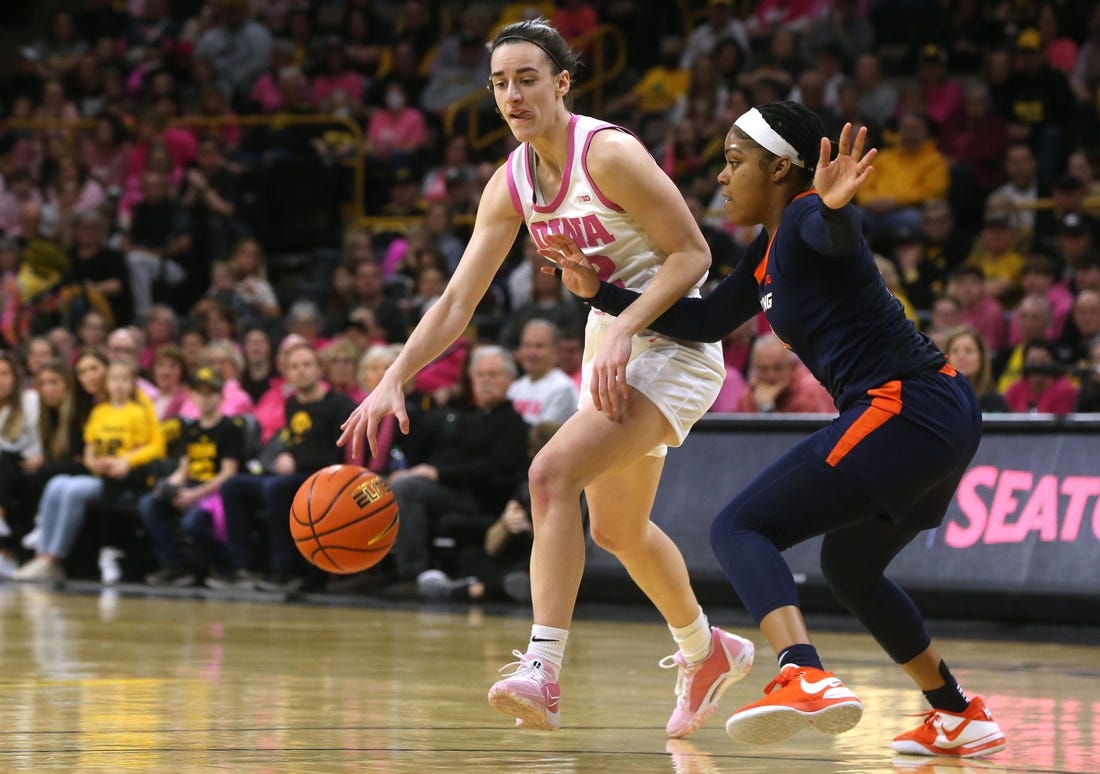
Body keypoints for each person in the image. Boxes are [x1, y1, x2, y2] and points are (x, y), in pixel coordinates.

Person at [548, 102, 1006, 758]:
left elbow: (832, 234)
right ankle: (958, 713)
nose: (723, 177)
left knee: (738, 528)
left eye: (736, 162)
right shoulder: (766, 252)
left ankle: (802, 671)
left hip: (904, 405)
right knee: (850, 569)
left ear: (782, 169)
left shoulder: (802, 218)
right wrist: (598, 291)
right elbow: (704, 323)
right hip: (941, 412)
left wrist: (838, 207)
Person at [340, 19, 753, 737]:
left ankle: (542, 667)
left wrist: (626, 325)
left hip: (674, 339)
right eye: (500, 82)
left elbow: (693, 255)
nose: (512, 94)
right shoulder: (509, 183)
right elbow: (458, 301)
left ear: (562, 83)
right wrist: (395, 375)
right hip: (611, 341)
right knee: (620, 531)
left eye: (527, 78)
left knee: (549, 474)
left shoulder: (612, 154)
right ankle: (706, 650)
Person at [139, 366, 245, 586]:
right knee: (149, 504)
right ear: (191, 395)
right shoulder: (191, 429)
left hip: (215, 492)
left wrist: (194, 495)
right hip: (191, 486)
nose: (204, 399)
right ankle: (175, 566)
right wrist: (167, 486)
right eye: (199, 393)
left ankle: (224, 566)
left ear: (221, 396)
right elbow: (183, 469)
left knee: (192, 521)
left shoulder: (230, 428)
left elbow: (228, 473)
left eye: (210, 393)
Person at [507, 319, 579, 425]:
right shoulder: (515, 387)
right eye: (527, 345)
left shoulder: (563, 388)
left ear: (555, 351)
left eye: (539, 346)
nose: (531, 353)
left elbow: (543, 435)